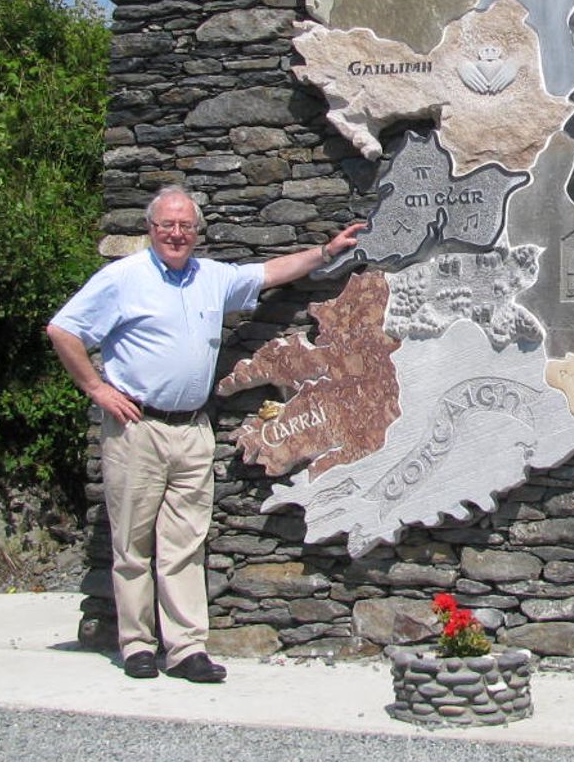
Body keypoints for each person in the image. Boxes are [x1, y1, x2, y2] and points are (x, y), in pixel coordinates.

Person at [46, 186, 365, 682]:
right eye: (166, 226)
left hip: (193, 429)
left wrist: (325, 253)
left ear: (197, 232)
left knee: (184, 543)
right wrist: (96, 389)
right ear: (150, 230)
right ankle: (136, 646)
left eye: (185, 227)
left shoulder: (210, 278)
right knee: (132, 545)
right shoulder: (122, 278)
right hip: (137, 428)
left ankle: (186, 648)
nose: (176, 234)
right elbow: (63, 330)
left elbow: (268, 274)